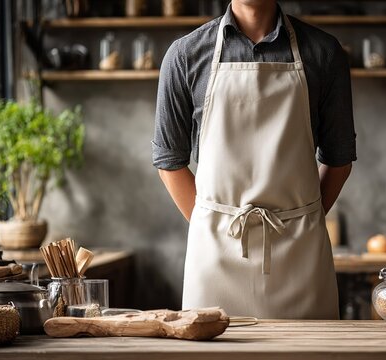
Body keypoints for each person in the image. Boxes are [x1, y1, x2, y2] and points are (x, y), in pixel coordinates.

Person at [152, 0, 356, 319]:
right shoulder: (184, 55)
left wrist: (299, 221)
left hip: (300, 257)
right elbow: (168, 160)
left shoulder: (324, 53)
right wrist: (213, 224)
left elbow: (339, 159)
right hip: (215, 257)